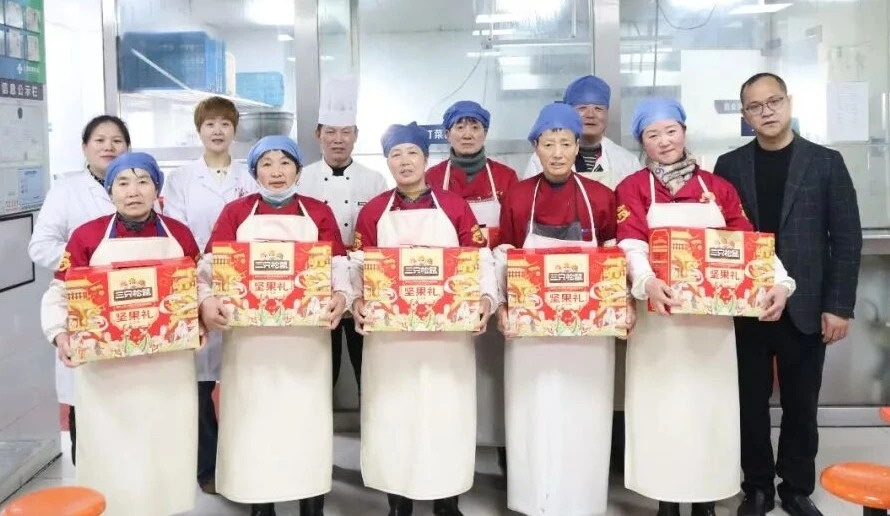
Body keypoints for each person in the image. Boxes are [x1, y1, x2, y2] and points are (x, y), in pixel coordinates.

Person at [615, 98, 797, 516]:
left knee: (709, 412)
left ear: (684, 131)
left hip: (711, 326)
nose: (664, 141)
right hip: (659, 323)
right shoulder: (633, 188)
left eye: (671, 131)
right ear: (642, 142)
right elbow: (630, 244)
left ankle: (706, 500)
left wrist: (781, 281)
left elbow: (750, 245)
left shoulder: (717, 188)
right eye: (653, 135)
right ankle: (666, 500)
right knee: (662, 411)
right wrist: (647, 282)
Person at [713, 73, 863, 516]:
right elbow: (719, 236)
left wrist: (838, 306)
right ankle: (757, 487)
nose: (767, 112)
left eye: (774, 101)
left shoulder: (826, 162)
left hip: (807, 305)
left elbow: (847, 238)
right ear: (745, 115)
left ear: (789, 102)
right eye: (755, 106)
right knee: (750, 403)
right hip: (747, 304)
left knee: (801, 403)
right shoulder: (729, 165)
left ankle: (796, 488)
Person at [197, 135, 352, 516]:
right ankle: (260, 504)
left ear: (298, 170)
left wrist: (342, 295)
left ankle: (311, 503)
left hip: (306, 343)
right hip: (249, 344)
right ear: (254, 172)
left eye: (285, 162)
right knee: (255, 423)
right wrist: (207, 301)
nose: (277, 171)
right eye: (266, 163)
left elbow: (339, 265)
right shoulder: (236, 212)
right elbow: (209, 266)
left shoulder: (317, 212)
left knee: (305, 422)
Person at [40, 152, 201, 516]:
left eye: (143, 182)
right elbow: (60, 292)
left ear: (157, 189)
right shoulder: (87, 236)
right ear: (110, 191)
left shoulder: (179, 234)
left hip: (167, 367)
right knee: (111, 450)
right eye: (123, 183)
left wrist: (202, 318)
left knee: (166, 445)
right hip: (107, 371)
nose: (133, 191)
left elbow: (198, 285)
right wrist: (59, 333)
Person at [349, 122, 498, 516]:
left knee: (445, 415)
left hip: (446, 339)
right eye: (396, 155)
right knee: (393, 415)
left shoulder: (454, 206)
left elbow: (480, 259)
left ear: (426, 159)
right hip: (390, 341)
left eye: (412, 153)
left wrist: (486, 298)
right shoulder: (374, 210)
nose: (405, 161)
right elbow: (357, 267)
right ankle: (398, 500)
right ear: (387, 162)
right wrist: (357, 299)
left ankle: (446, 500)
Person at [494, 102, 624, 515]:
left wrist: (621, 305)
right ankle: (532, 500)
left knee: (585, 411)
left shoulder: (601, 196)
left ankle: (582, 500)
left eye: (565, 143)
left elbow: (613, 256)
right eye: (548, 144)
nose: (557, 153)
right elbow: (504, 255)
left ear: (577, 146)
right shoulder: (518, 195)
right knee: (531, 411)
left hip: (589, 330)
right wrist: (502, 304)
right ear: (536, 146)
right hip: (529, 328)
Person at [161, 95, 258, 495]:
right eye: (210, 124)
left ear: (235, 130)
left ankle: (243, 462)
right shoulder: (181, 178)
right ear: (198, 130)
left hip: (244, 287)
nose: (217, 131)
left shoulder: (252, 174)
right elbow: (178, 230)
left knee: (242, 379)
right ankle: (207, 467)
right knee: (200, 384)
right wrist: (202, 273)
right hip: (196, 284)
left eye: (225, 124)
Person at [28, 114, 131, 464]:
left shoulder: (139, 185)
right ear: (85, 147)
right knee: (87, 405)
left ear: (127, 147)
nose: (108, 147)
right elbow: (40, 246)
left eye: (117, 140)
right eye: (100, 140)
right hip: (84, 304)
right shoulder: (66, 190)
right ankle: (90, 480)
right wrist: (89, 261)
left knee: (128, 405)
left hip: (130, 306)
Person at [425, 99, 518, 464]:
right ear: (447, 133)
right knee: (452, 372)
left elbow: (513, 232)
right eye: (460, 127)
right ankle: (453, 448)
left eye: (475, 126)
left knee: (497, 371)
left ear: (485, 133)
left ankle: (503, 447)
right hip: (448, 287)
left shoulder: (506, 177)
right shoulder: (431, 177)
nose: (467, 134)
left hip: (496, 281)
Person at [296, 75, 388, 394]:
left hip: (365, 287)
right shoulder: (301, 179)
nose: (338, 140)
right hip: (320, 288)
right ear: (318, 134)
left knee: (371, 371)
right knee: (322, 371)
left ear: (356, 135)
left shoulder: (375, 180)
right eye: (331, 132)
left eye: (346, 132)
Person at [522, 75, 640, 189]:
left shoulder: (626, 161)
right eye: (582, 108)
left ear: (607, 113)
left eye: (598, 109)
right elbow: (529, 195)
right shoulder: (542, 159)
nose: (590, 115)